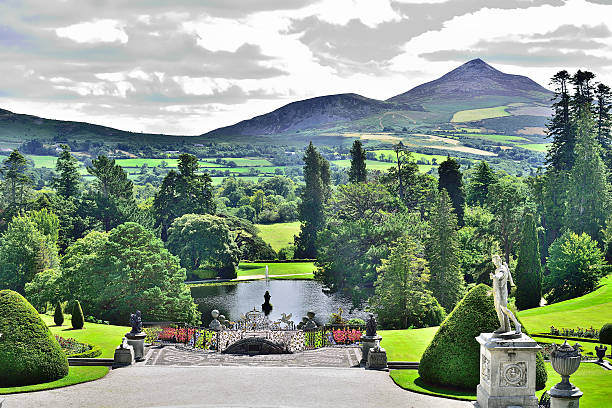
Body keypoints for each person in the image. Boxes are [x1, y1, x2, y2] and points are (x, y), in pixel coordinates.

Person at [491, 255, 521, 335]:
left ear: (500, 260)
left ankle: (517, 324)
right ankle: (503, 327)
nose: (495, 264)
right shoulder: (498, 269)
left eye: (496, 262)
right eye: (494, 262)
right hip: (496, 292)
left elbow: (500, 275)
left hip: (502, 292)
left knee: (504, 309)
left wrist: (495, 276)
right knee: (498, 310)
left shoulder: (502, 269)